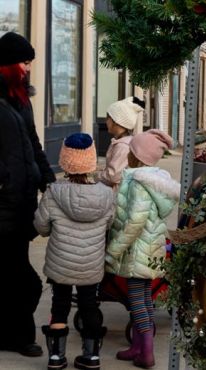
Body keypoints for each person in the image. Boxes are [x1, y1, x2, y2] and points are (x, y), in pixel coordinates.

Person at [34, 133, 114, 370]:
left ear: (65, 162)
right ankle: (91, 357)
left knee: (59, 305)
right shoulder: (106, 195)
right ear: (90, 162)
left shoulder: (53, 193)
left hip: (60, 263)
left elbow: (41, 227)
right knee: (89, 305)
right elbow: (109, 224)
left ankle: (56, 358)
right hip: (91, 264)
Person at [0, 31, 56, 357]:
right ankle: (21, 337)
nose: (28, 68)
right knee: (24, 280)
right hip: (4, 203)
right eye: (24, 61)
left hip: (22, 205)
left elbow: (34, 144)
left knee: (12, 273)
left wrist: (49, 181)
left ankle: (11, 336)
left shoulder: (22, 100)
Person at [105, 129, 180, 368]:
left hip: (138, 249)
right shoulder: (152, 181)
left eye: (130, 151)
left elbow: (134, 222)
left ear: (137, 156)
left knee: (137, 301)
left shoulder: (138, 183)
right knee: (145, 298)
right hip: (151, 248)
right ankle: (138, 346)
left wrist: (114, 250)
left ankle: (146, 350)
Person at [97, 96, 145, 189]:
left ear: (116, 121)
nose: (106, 121)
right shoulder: (124, 142)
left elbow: (113, 176)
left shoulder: (123, 146)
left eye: (108, 118)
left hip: (118, 195)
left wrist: (97, 176)